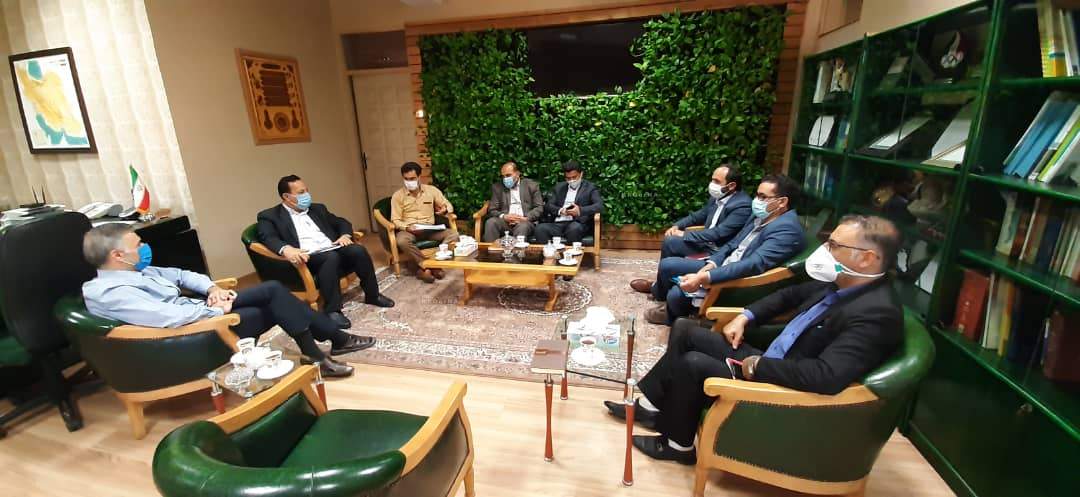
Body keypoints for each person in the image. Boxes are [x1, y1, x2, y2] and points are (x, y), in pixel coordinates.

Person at [605, 215, 904, 464]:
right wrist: (745, 316)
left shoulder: (875, 314)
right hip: (771, 359)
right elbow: (788, 295)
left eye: (834, 245)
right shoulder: (842, 283)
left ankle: (678, 446)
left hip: (781, 382)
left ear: (866, 258)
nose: (825, 250)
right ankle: (656, 409)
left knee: (693, 363)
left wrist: (757, 366)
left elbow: (825, 377)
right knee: (684, 328)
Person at [81, 224, 366, 378]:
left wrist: (212, 289)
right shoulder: (109, 292)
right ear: (117, 256)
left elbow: (182, 275)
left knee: (274, 292)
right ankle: (328, 345)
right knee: (276, 302)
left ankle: (323, 350)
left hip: (203, 309)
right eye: (138, 245)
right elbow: (167, 318)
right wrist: (214, 310)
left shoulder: (138, 270)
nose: (145, 247)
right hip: (197, 333)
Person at [643, 174, 805, 325]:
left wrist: (705, 277)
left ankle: (681, 317)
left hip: (740, 280)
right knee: (669, 266)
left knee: (675, 293)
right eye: (757, 195)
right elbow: (733, 244)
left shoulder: (787, 230)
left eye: (763, 197)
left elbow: (753, 264)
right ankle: (671, 303)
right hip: (724, 264)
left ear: (782, 202)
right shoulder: (761, 216)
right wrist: (711, 264)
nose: (756, 201)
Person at [257, 175, 394, 329]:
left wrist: (345, 235)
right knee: (330, 257)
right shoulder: (270, 216)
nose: (306, 195)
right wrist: (287, 249)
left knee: (357, 250)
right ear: (286, 197)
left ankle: (373, 295)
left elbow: (341, 222)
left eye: (307, 190)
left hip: (331, 247)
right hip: (307, 256)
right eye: (301, 192)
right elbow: (268, 237)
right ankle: (332, 310)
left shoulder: (317, 208)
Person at [629, 164, 751, 293]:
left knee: (668, 265)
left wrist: (685, 234)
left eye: (716, 181)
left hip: (717, 254)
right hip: (705, 244)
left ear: (731, 186)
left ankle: (659, 290)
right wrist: (677, 226)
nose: (712, 184)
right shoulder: (719, 196)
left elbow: (718, 233)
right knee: (670, 241)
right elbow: (698, 216)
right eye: (712, 180)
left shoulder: (742, 206)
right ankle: (662, 286)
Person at [391, 162, 460, 283]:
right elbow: (395, 220)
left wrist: (445, 209)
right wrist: (406, 228)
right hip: (409, 230)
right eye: (406, 179)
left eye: (412, 178)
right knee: (401, 241)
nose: (409, 182)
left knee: (454, 234)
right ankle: (427, 266)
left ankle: (431, 265)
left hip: (430, 229)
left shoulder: (431, 191)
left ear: (419, 177)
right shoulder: (397, 196)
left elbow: (448, 205)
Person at [534, 160, 604, 244]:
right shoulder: (559, 187)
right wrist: (560, 210)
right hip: (558, 223)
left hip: (577, 223)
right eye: (568, 178)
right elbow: (549, 205)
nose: (571, 180)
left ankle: (572, 252)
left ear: (581, 174)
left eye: (574, 177)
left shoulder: (590, 188)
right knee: (540, 229)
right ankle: (549, 251)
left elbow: (599, 206)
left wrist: (580, 210)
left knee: (574, 229)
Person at [481, 161, 544, 242]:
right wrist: (504, 216)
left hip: (525, 221)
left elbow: (539, 208)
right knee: (491, 222)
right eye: (503, 176)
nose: (505, 179)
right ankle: (492, 249)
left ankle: (517, 250)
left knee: (522, 227)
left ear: (517, 174)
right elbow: (492, 209)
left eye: (508, 175)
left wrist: (525, 218)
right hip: (505, 222)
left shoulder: (531, 186)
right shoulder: (497, 187)